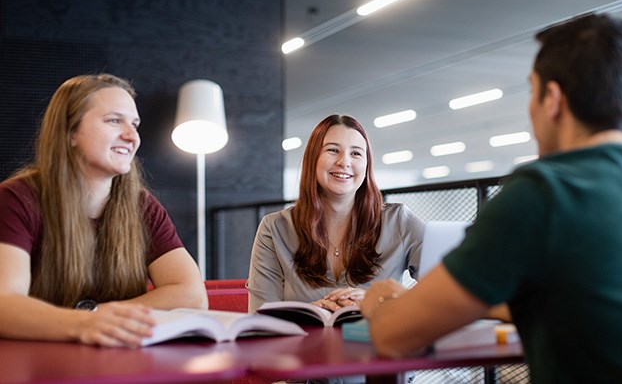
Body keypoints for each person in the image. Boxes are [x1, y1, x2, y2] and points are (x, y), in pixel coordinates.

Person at [359, 13, 622, 383]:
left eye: (532, 91)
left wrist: (380, 302)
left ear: (552, 99)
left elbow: (395, 338)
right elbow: (599, 304)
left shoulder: (542, 194)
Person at [0, 74, 208, 348]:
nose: (131, 136)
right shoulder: (16, 198)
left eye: (134, 124)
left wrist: (100, 318)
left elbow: (192, 295)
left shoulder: (142, 205)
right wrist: (87, 323)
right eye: (113, 120)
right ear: (70, 132)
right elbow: (5, 305)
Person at [247, 114, 423, 313]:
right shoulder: (275, 228)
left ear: (366, 166)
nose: (344, 161)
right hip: (304, 342)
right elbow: (260, 315)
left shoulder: (399, 220)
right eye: (332, 150)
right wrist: (309, 313)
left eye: (356, 153)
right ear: (313, 159)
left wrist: (379, 300)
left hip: (377, 343)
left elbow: (450, 290)